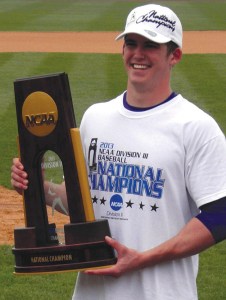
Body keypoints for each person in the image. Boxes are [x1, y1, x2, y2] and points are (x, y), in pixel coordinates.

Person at [11, 3, 226, 300]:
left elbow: (220, 215)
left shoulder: (196, 127)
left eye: (151, 45)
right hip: (93, 293)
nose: (138, 54)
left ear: (174, 55)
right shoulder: (96, 118)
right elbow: (83, 204)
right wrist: (35, 186)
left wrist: (142, 258)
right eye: (131, 43)